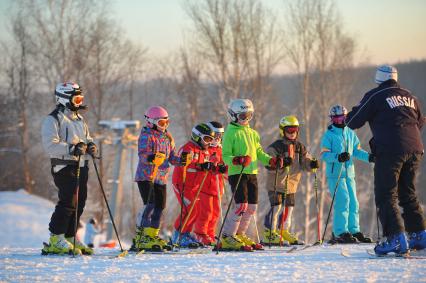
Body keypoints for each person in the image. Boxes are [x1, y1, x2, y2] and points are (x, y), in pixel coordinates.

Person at [346, 65, 425, 255]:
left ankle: (395, 238)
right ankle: (419, 235)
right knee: (408, 192)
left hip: (390, 150)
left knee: (386, 193)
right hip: (415, 148)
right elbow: (421, 121)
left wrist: (346, 117)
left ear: (378, 79)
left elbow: (354, 120)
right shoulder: (410, 96)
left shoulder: (376, 95)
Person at [217, 98, 282, 251]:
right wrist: (237, 160)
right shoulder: (230, 133)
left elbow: (258, 152)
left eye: (249, 116)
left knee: (252, 207)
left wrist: (270, 161)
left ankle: (240, 234)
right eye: (242, 116)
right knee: (241, 206)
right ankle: (228, 236)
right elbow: (225, 156)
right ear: (233, 116)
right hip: (237, 173)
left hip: (251, 172)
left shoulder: (252, 133)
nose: (246, 120)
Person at [41, 82, 97, 255]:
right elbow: (50, 145)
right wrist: (72, 149)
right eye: (76, 98)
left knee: (80, 202)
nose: (79, 102)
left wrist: (91, 145)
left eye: (81, 98)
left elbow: (86, 138)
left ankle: (70, 236)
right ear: (64, 99)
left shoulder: (79, 119)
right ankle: (56, 238)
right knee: (68, 201)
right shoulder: (54, 119)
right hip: (64, 166)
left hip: (81, 165)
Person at [131, 106, 190, 252]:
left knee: (160, 207)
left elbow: (171, 157)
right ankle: (142, 236)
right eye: (162, 123)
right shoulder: (146, 135)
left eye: (167, 122)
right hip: (146, 176)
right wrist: (152, 158)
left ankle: (152, 235)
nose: (165, 126)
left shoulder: (167, 137)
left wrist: (181, 160)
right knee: (149, 204)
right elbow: (143, 154)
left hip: (161, 177)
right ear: (151, 122)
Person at [262, 115, 319, 246]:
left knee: (289, 208)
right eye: (289, 130)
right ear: (283, 130)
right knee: (276, 207)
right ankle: (269, 233)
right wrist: (281, 162)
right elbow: (268, 162)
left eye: (295, 130)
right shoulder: (276, 147)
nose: (292, 133)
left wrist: (312, 164)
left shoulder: (300, 147)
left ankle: (283, 230)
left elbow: (305, 161)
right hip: (277, 183)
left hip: (292, 184)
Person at [320, 104, 373, 244]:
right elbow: (324, 155)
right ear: (332, 119)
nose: (340, 120)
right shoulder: (329, 135)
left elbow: (356, 150)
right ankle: (340, 231)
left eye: (342, 117)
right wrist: (338, 157)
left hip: (349, 174)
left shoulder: (350, 133)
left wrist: (369, 157)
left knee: (354, 203)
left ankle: (354, 230)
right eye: (336, 118)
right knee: (343, 201)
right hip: (336, 174)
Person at [171, 123, 217, 248]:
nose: (209, 142)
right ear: (197, 137)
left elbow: (207, 167)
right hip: (182, 183)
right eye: (207, 139)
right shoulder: (188, 149)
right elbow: (183, 165)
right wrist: (201, 166)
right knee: (189, 209)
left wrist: (214, 167)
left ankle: (185, 233)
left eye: (211, 140)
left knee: (195, 211)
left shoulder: (206, 152)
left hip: (194, 187)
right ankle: (177, 236)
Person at [193, 121, 227, 245]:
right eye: (216, 135)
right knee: (206, 212)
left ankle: (210, 234)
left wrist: (224, 168)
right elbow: (202, 163)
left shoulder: (220, 149)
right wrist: (211, 164)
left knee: (216, 212)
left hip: (218, 187)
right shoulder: (205, 148)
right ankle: (200, 234)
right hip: (205, 186)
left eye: (220, 135)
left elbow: (224, 164)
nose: (217, 138)